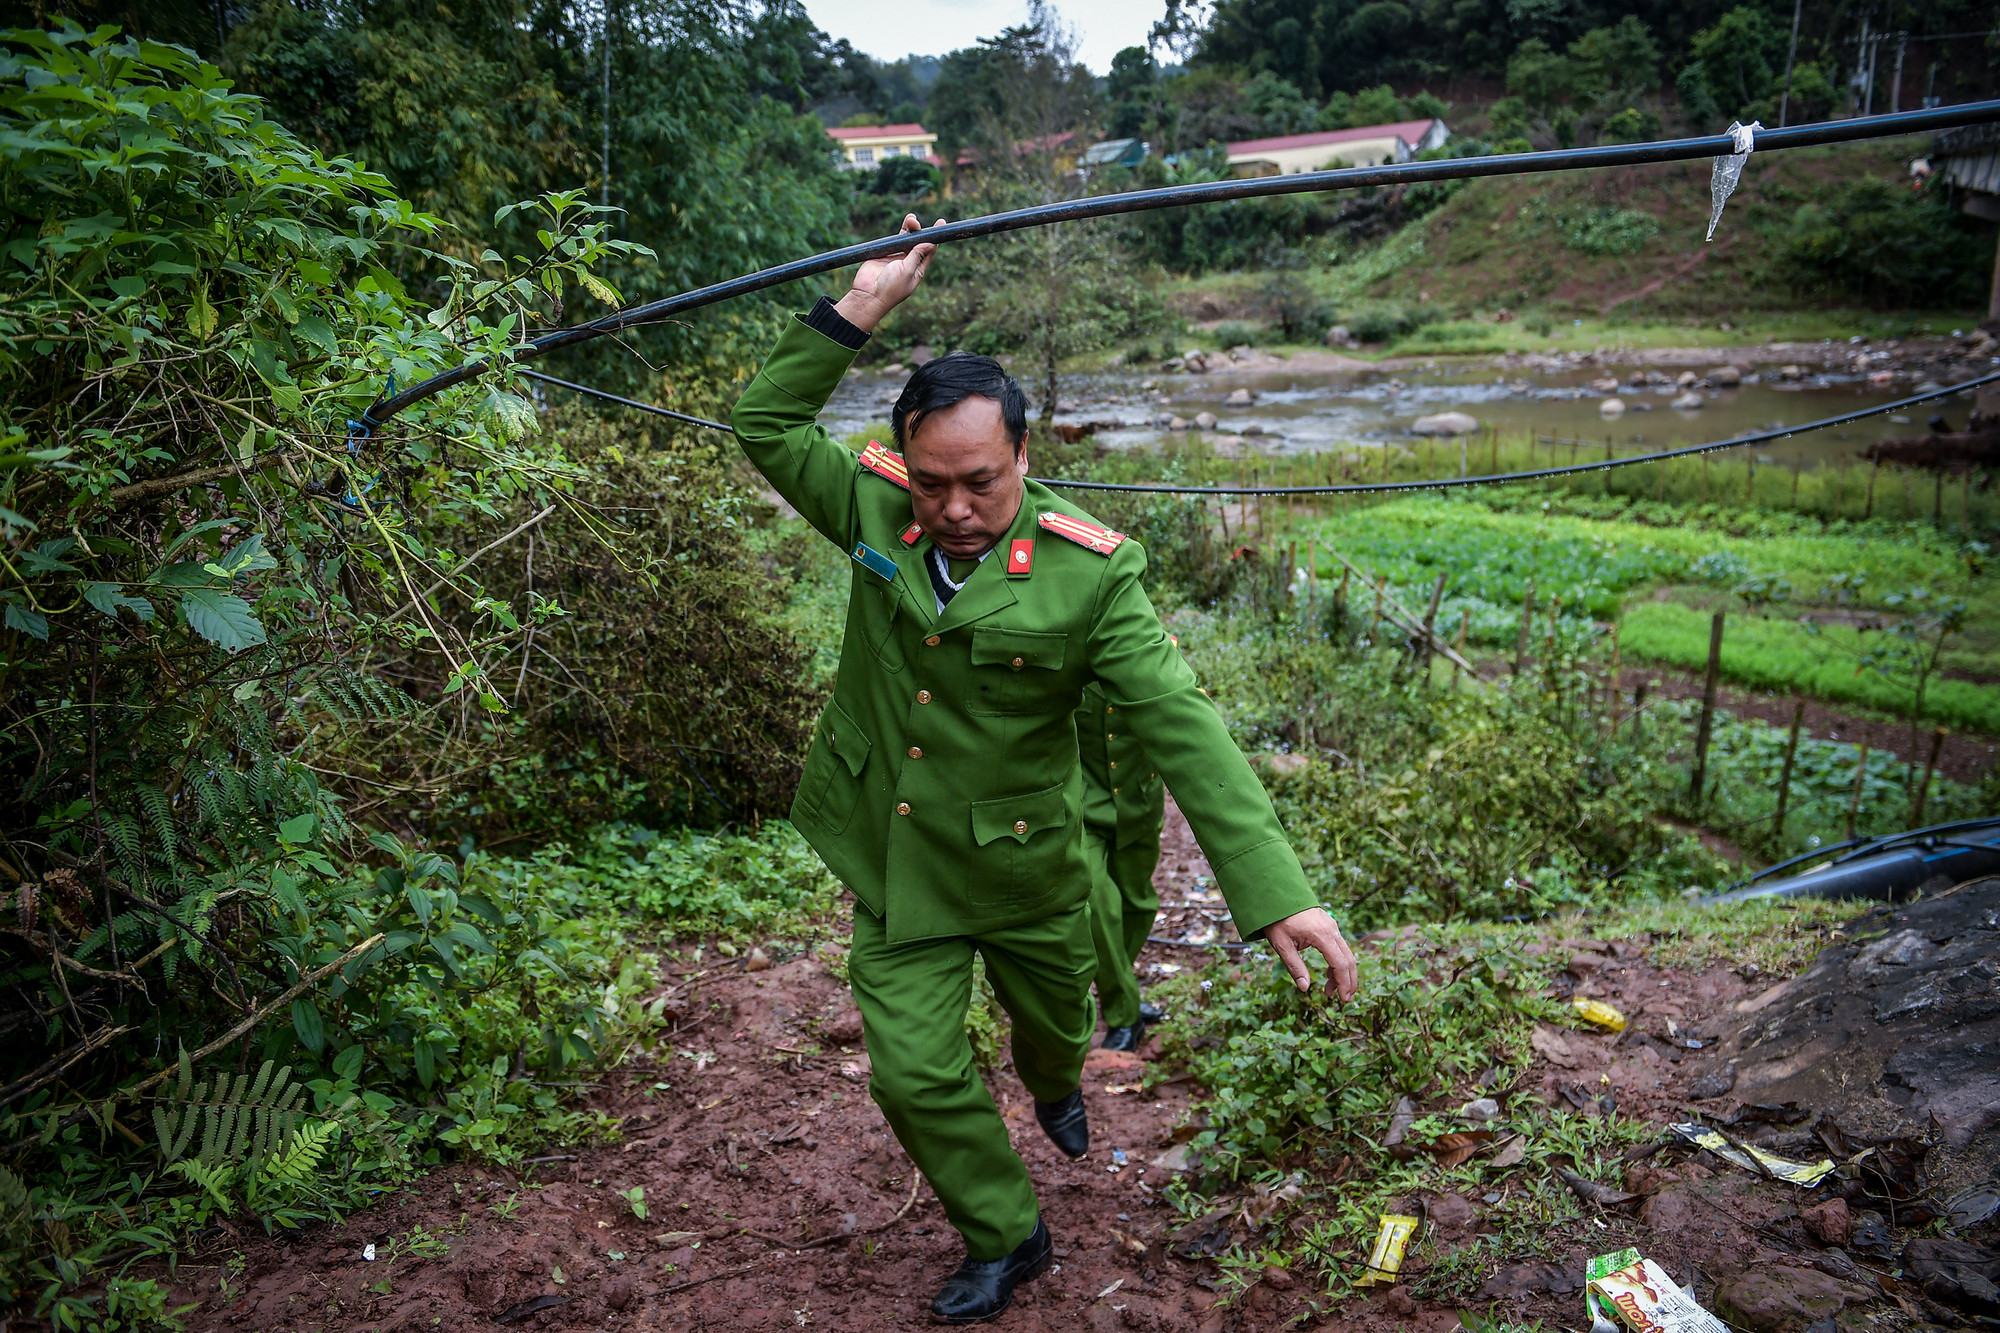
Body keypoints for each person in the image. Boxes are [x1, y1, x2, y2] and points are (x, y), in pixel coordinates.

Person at [729, 214, 1359, 1324]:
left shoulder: (1091, 579)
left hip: (1025, 867)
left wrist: (1277, 892)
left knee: (1052, 1027)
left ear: (1025, 453)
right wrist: (862, 303)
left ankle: (1058, 1077)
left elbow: (1181, 726)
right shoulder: (875, 503)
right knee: (912, 1073)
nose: (955, 511)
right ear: (905, 465)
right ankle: (1007, 1230)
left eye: (979, 481)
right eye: (932, 484)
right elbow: (766, 419)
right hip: (898, 851)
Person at [1074, 681, 1166, 1053]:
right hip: (1082, 805)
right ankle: (1125, 1013)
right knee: (1098, 904)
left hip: (1139, 805)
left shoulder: (1157, 659)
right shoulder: (1067, 658)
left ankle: (1120, 985)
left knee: (1138, 903)